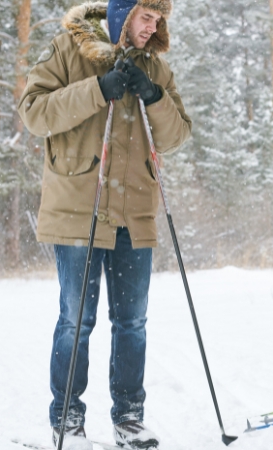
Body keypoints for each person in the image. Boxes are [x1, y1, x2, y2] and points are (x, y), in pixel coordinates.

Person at [17, 0, 191, 448]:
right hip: (79, 210)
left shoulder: (154, 67)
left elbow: (177, 136)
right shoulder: (68, 50)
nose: (153, 29)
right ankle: (67, 421)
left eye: (159, 21)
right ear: (123, 13)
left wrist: (153, 96)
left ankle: (129, 418)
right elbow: (33, 112)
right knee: (76, 320)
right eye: (146, 17)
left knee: (132, 322)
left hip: (134, 214)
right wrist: (98, 89)